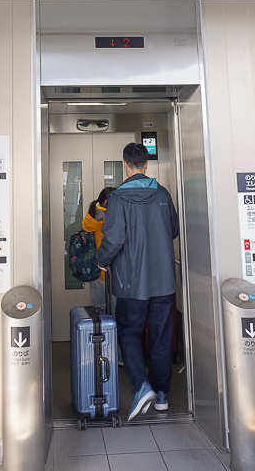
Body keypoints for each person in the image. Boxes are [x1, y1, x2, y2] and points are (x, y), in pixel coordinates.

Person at [96, 142, 179, 421]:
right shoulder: (163, 194)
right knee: (161, 338)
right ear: (146, 165)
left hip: (131, 282)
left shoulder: (118, 198)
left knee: (129, 333)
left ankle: (141, 385)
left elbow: (114, 239)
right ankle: (162, 395)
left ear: (124, 164)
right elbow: (174, 230)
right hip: (164, 282)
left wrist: (102, 259)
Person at [82, 187, 114, 310]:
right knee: (116, 311)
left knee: (99, 310)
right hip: (110, 269)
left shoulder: (94, 215)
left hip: (95, 268)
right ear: (106, 201)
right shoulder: (106, 215)